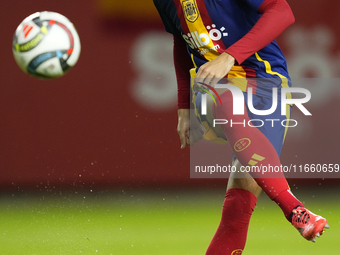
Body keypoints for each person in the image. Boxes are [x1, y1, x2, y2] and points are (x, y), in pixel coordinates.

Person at [153, 0, 329, 254]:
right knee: (224, 97)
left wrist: (229, 56)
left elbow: (282, 10)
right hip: (213, 87)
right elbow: (182, 41)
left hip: (268, 85)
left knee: (237, 212)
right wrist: (184, 108)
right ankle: (295, 210)